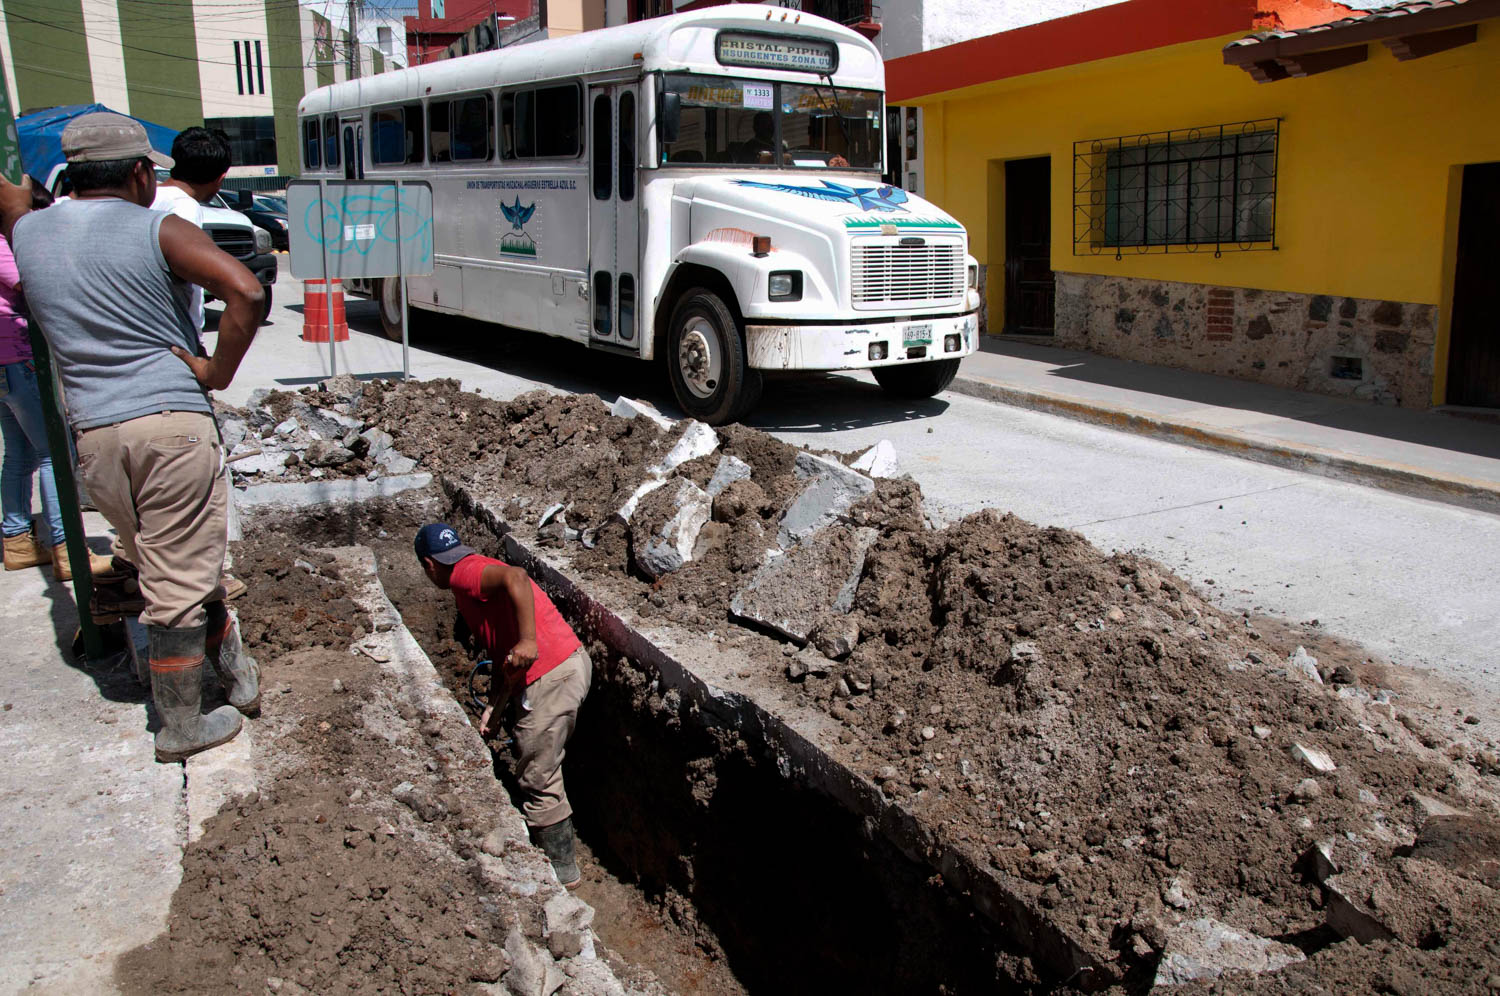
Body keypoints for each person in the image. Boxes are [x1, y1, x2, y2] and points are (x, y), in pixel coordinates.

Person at [0, 112, 265, 763]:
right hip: (170, 428)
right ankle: (180, 724)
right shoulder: (158, 227)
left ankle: (238, 676)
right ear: (143, 173)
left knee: (167, 559)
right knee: (176, 582)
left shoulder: (29, 233)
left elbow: (9, 196)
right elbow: (247, 292)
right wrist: (215, 370)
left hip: (94, 437)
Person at [414, 523, 592, 889]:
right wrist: (494, 711)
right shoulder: (472, 569)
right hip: (566, 664)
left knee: (538, 777)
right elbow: (502, 658)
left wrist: (528, 641)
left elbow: (517, 576)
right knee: (540, 756)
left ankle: (561, 878)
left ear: (429, 565)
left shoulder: (464, 575)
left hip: (549, 675)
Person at [0, 195, 111, 580]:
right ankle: (69, 550)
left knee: (19, 453)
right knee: (55, 453)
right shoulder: (5, 244)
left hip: (4, 364)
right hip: (18, 357)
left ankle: (15, 540)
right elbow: (31, 283)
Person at [151, 126, 231, 338]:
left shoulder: (147, 196)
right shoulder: (185, 208)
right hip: (175, 334)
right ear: (220, 178)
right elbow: (188, 277)